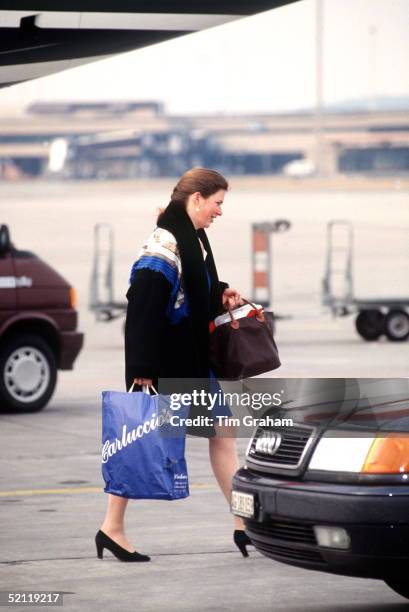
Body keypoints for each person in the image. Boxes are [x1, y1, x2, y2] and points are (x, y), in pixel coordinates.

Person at [96, 168, 253, 562]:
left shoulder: (192, 237)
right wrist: (142, 370)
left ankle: (245, 524)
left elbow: (194, 287)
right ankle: (111, 528)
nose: (220, 212)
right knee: (143, 444)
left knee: (222, 431)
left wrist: (222, 293)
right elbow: (143, 308)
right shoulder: (164, 243)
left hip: (191, 360)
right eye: (217, 203)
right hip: (169, 364)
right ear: (197, 199)